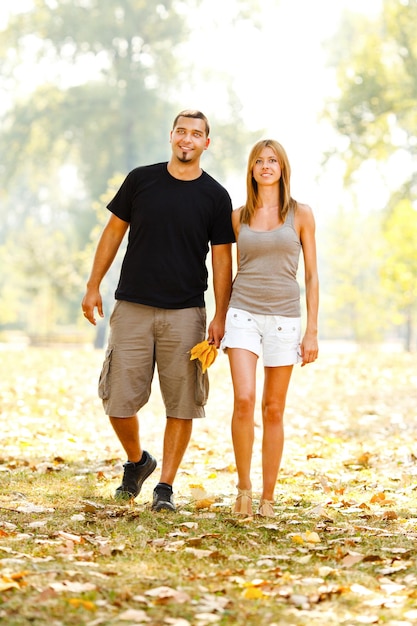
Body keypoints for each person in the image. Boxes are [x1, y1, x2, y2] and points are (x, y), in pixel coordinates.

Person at [81, 110, 234, 512]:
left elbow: (222, 261)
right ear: (171, 136)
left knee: (182, 402)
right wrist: (93, 284)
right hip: (132, 305)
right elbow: (113, 231)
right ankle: (138, 461)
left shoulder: (216, 197)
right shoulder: (141, 180)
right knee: (117, 398)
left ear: (206, 143)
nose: (187, 139)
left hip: (186, 312)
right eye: (181, 131)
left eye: (196, 134)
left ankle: (164, 486)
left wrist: (220, 315)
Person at [221, 139, 319, 518]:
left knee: (273, 408)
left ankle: (267, 497)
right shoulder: (237, 216)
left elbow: (311, 276)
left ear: (282, 168)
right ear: (251, 169)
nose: (265, 166)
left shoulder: (302, 214)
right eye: (259, 161)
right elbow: (227, 272)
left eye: (272, 160)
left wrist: (311, 331)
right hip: (242, 313)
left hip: (284, 319)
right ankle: (243, 489)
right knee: (244, 400)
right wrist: (219, 315)